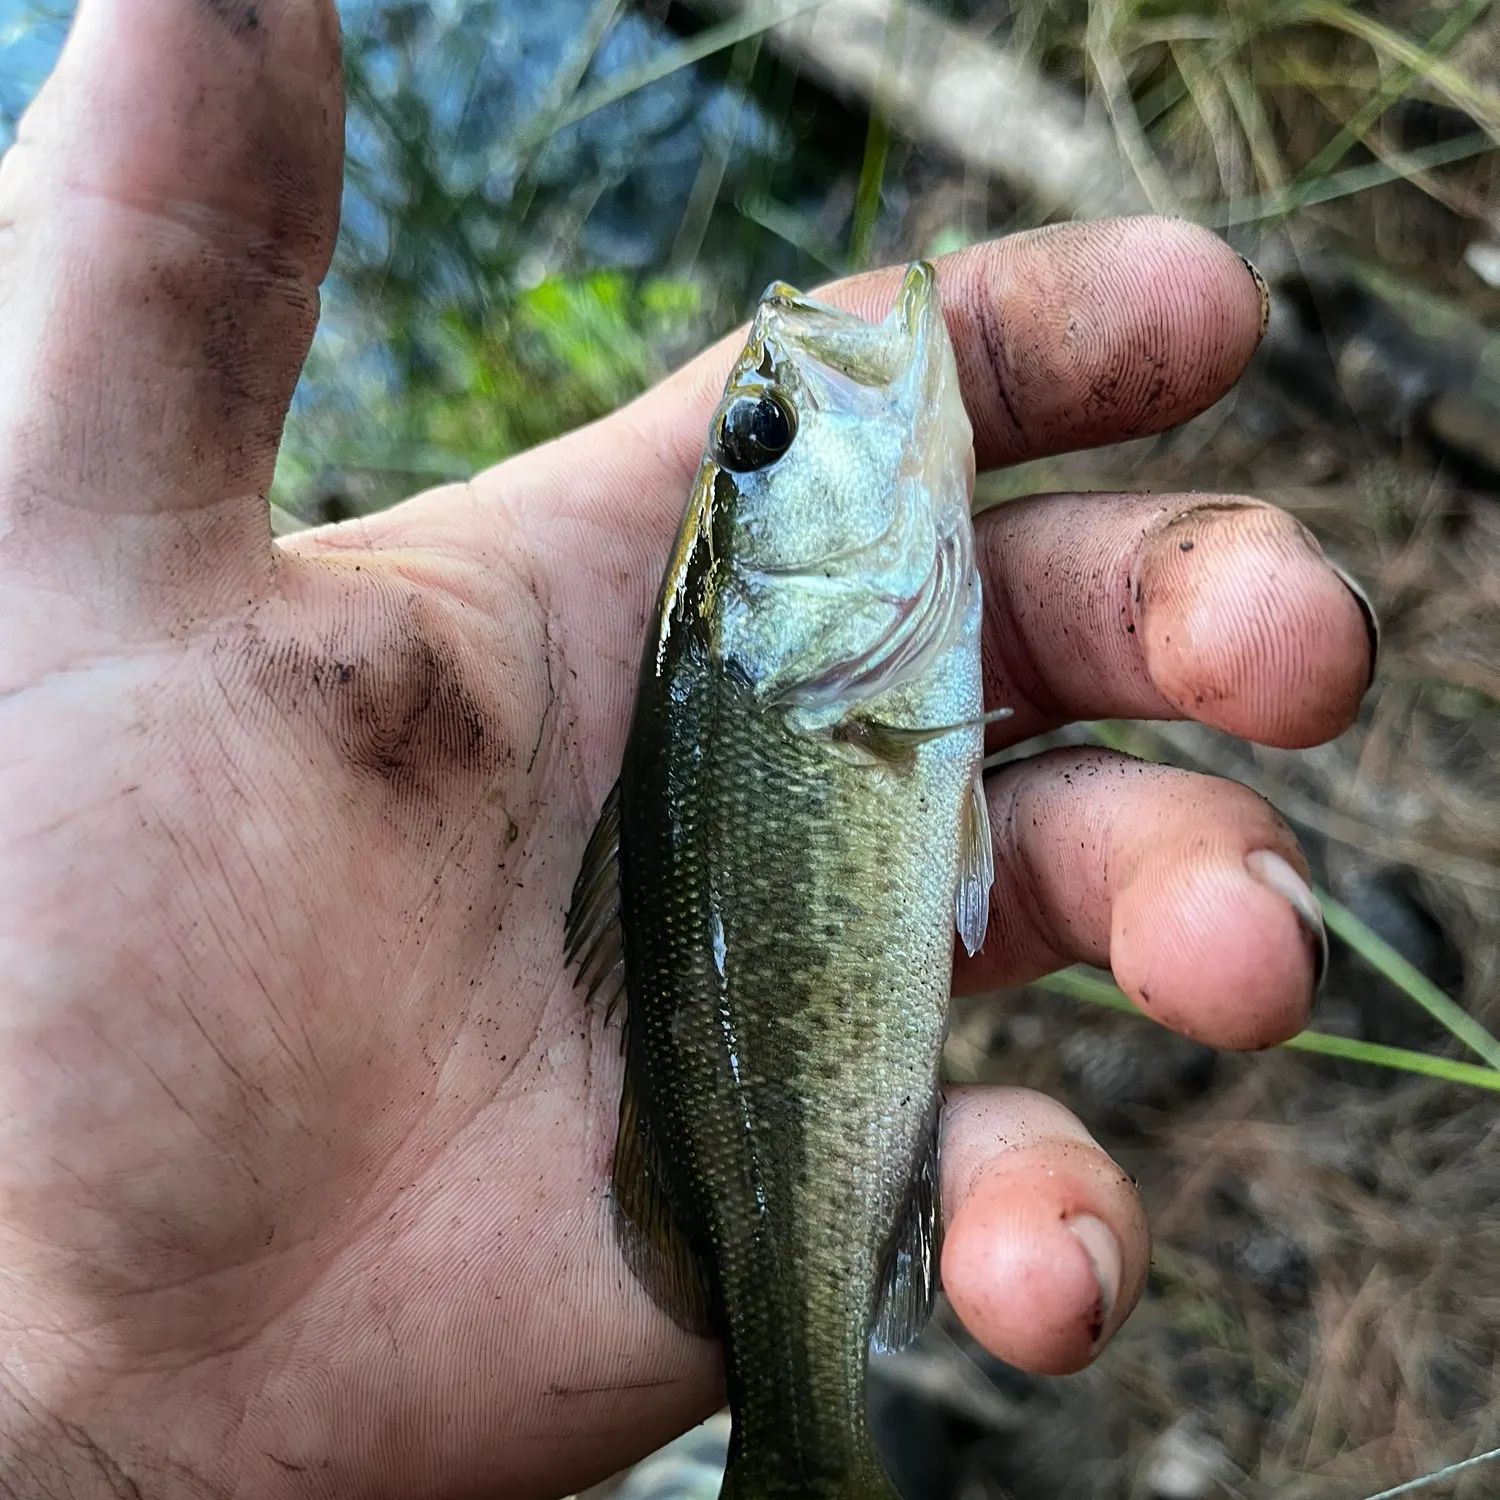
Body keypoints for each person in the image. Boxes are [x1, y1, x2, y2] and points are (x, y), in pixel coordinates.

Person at [0, 2, 1376, 1496]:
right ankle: (805, 1434)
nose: (790, 366)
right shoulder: (801, 690)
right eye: (765, 443)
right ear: (758, 613)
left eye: (757, 431)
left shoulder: (814, 684)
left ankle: (803, 1425)